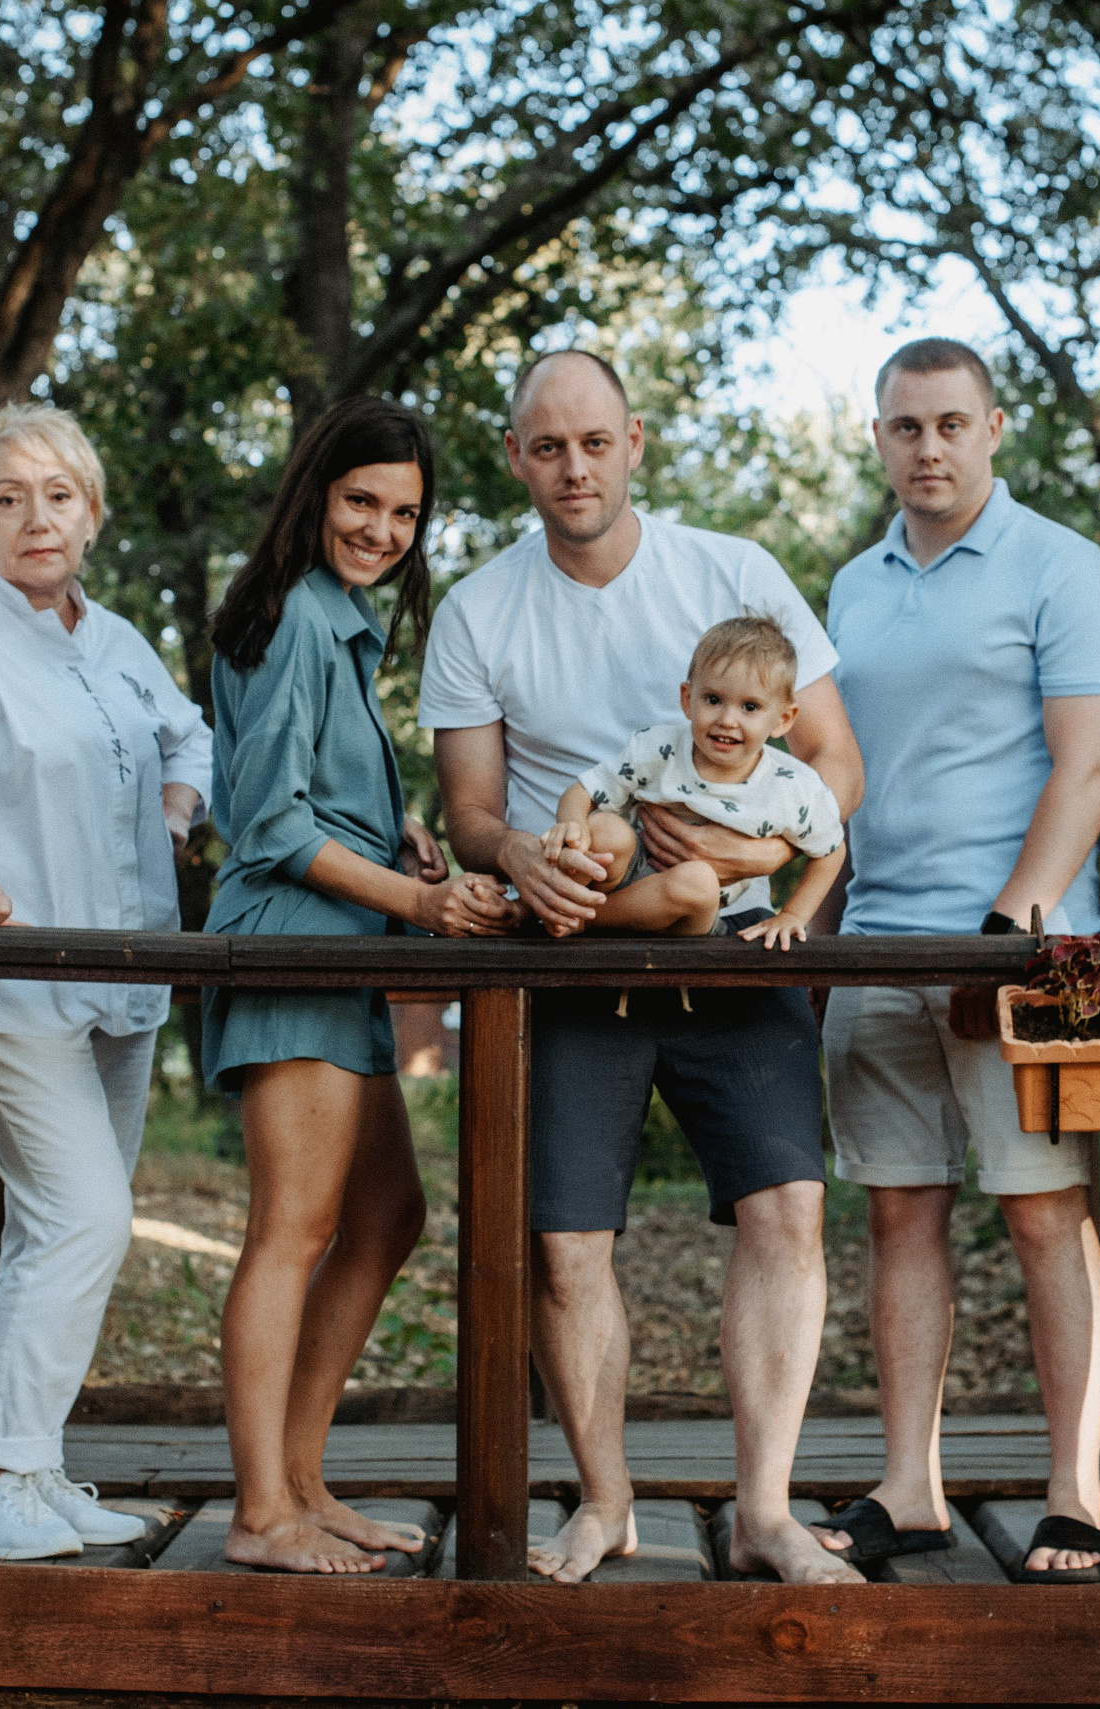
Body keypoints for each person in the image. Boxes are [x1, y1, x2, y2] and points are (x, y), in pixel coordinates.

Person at [424, 350, 867, 1586]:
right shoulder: (477, 608)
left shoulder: (732, 572)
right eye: (548, 447)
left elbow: (836, 761)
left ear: (635, 442)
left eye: (595, 443)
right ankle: (603, 1500)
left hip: (732, 946)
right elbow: (468, 810)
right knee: (566, 1242)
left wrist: (750, 846)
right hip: (570, 948)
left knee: (787, 1209)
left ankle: (768, 1511)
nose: (575, 468)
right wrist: (523, 849)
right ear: (516, 456)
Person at [0, 403, 211, 1560]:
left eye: (57, 493)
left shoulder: (115, 639)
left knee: (60, 1232)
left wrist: (176, 805)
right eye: (6, 497)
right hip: (11, 975)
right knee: (85, 1213)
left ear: (91, 512)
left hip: (126, 970)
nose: (35, 515)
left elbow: (189, 735)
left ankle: (39, 1464)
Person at [813, 338, 1100, 1583]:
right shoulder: (848, 586)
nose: (928, 448)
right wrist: (820, 927)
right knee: (899, 1212)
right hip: (876, 946)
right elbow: (835, 785)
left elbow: (1089, 768)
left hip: (1019, 952)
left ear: (993, 429)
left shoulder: (1059, 566)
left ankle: (1075, 1490)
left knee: (1046, 1214)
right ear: (879, 437)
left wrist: (1004, 938)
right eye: (905, 427)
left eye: (951, 423)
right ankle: (910, 1483)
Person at [203, 395, 521, 1573]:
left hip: (344, 937)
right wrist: (426, 903)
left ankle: (298, 1477)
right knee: (291, 1229)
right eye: (361, 501)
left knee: (388, 1215)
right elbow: (272, 822)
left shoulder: (338, 620)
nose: (382, 528)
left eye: (404, 512)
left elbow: (310, 786)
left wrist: (398, 833)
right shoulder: (293, 616)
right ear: (314, 495)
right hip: (297, 938)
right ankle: (256, 1512)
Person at [543, 614, 846, 948]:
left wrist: (792, 915)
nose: (728, 720)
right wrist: (570, 827)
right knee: (602, 828)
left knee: (699, 879)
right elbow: (581, 790)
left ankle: (571, 919)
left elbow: (831, 849)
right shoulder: (659, 748)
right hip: (625, 878)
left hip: (687, 909)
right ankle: (553, 905)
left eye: (750, 707)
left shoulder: (791, 788)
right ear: (688, 699)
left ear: (783, 718)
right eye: (713, 700)